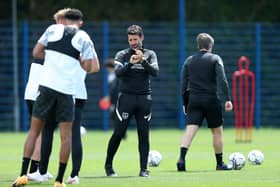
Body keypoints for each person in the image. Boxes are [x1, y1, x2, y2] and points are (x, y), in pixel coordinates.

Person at [12, 8, 99, 187]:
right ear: (80, 22)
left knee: (35, 131)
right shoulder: (84, 37)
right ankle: (59, 180)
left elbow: (36, 52)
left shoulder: (52, 30)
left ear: (62, 20)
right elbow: (91, 67)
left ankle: (22, 175)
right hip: (66, 91)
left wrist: (52, 58)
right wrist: (78, 62)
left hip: (45, 88)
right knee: (66, 137)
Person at [104, 25, 159, 177]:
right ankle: (108, 165)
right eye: (130, 40)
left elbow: (155, 72)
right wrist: (131, 63)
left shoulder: (150, 54)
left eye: (135, 39)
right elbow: (118, 72)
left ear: (142, 38)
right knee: (119, 133)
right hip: (126, 99)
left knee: (144, 134)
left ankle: (143, 169)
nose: (133, 42)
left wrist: (143, 61)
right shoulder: (122, 54)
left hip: (144, 99)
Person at [24, 8, 70, 180]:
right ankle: (36, 170)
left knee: (39, 132)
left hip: (33, 92)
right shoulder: (55, 39)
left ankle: (37, 169)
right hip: (39, 93)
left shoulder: (48, 38)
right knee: (41, 132)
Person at [176, 33, 233, 172]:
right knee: (217, 132)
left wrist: (185, 103)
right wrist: (228, 99)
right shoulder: (215, 58)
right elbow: (222, 80)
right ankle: (219, 164)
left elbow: (183, 83)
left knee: (190, 131)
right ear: (210, 46)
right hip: (211, 100)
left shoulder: (189, 60)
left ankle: (181, 159)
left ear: (198, 45)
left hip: (194, 100)